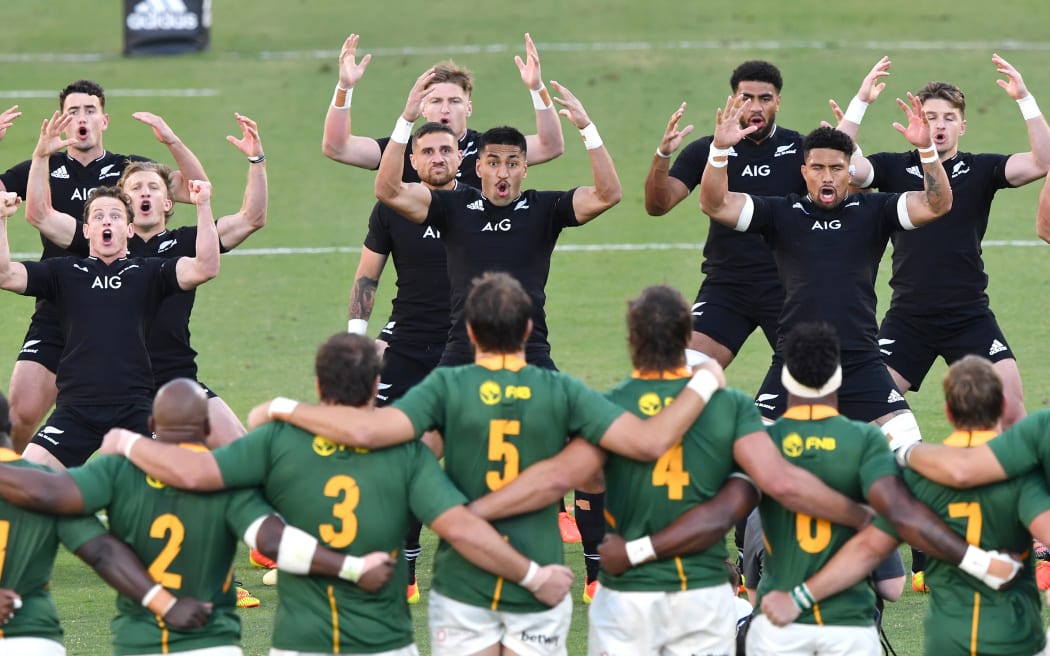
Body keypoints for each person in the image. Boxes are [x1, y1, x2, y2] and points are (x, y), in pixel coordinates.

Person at [234, 272, 733, 656]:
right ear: (529, 329)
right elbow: (648, 443)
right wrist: (706, 379)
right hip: (538, 574)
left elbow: (368, 431)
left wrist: (283, 408)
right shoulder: (562, 392)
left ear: (470, 332)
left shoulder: (446, 388)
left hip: (464, 582)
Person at [100, 329, 578, 655]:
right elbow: (461, 529)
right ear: (376, 385)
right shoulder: (407, 455)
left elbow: (193, 474)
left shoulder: (276, 443)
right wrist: (533, 576)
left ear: (317, 383)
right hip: (384, 640)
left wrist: (127, 441)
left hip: (300, 640)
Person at [466, 286, 879, 656]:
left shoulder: (605, 408)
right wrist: (859, 515)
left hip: (629, 598)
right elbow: (782, 482)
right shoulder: (728, 408)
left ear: (631, 341)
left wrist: (475, 514)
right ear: (688, 340)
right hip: (701, 598)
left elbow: (556, 479)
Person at [375, 72, 622, 595]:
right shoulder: (452, 207)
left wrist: (587, 128)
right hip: (463, 352)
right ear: (476, 166)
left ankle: (597, 575)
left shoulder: (545, 209)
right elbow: (387, 188)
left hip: (531, 352)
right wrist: (405, 117)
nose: (503, 172)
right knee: (413, 454)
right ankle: (409, 569)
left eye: (513, 162)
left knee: (592, 461)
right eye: (493, 162)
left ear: (524, 167)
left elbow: (608, 193)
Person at [0, 378, 396, 655]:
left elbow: (53, 494)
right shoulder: (225, 479)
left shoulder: (114, 473)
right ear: (207, 427)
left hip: (139, 642)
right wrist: (351, 567)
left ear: (153, 425)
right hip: (211, 641)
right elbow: (274, 542)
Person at [698, 95, 952, 447]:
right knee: (752, 458)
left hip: (861, 361)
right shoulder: (781, 213)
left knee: (908, 450)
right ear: (804, 173)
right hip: (793, 360)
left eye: (836, 168)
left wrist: (927, 153)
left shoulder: (875, 210)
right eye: (817, 168)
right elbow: (715, 203)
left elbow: (937, 205)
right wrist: (719, 151)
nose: (826, 176)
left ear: (850, 170)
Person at [763, 355, 1050, 656]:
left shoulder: (916, 482)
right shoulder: (1020, 476)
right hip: (1016, 637)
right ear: (1003, 407)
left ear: (949, 412)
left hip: (948, 641)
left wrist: (798, 598)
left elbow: (867, 551)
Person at [26, 112, 267, 449]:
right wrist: (40, 158)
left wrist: (256, 160)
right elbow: (39, 214)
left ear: (167, 202)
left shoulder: (186, 242)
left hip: (176, 377)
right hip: (116, 385)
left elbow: (252, 218)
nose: (145, 194)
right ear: (124, 203)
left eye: (153, 187)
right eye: (135, 188)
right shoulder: (102, 243)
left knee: (240, 448)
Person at [837, 54, 1050, 432]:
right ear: (916, 120)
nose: (939, 126)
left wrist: (1024, 98)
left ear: (962, 127)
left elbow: (1042, 161)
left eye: (949, 119)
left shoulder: (982, 169)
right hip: (908, 318)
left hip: (969, 316)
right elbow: (842, 167)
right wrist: (861, 103)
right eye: (931, 117)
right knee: (860, 413)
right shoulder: (892, 167)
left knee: (1012, 414)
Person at [0, 80, 207, 453]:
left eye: (90, 110)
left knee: (125, 404)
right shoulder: (41, 162)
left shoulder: (128, 169)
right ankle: (16, 488)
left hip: (121, 306)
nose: (82, 118)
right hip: (59, 301)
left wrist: (171, 142)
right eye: (73, 111)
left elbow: (194, 188)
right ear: (62, 121)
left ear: (104, 119)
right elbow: (35, 213)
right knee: (22, 413)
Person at [345, 120, 462, 602]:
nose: (437, 157)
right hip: (407, 344)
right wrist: (358, 342)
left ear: (460, 157)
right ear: (412, 161)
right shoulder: (392, 209)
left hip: (463, 347)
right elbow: (367, 277)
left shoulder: (476, 207)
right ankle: (391, 560)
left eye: (445, 150)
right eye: (427, 151)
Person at [644, 60, 805, 369]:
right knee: (681, 373)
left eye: (765, 98)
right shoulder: (707, 150)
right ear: (733, 100)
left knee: (811, 380)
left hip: (788, 286)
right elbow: (658, 205)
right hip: (727, 286)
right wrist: (663, 155)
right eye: (746, 97)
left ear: (778, 102)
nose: (755, 106)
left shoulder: (800, 148)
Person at [321, 33, 564, 187]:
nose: (445, 109)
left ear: (468, 108)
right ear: (423, 107)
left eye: (455, 101)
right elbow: (337, 148)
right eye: (436, 101)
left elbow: (550, 146)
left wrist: (536, 88)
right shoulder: (401, 150)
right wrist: (345, 87)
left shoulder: (490, 149)